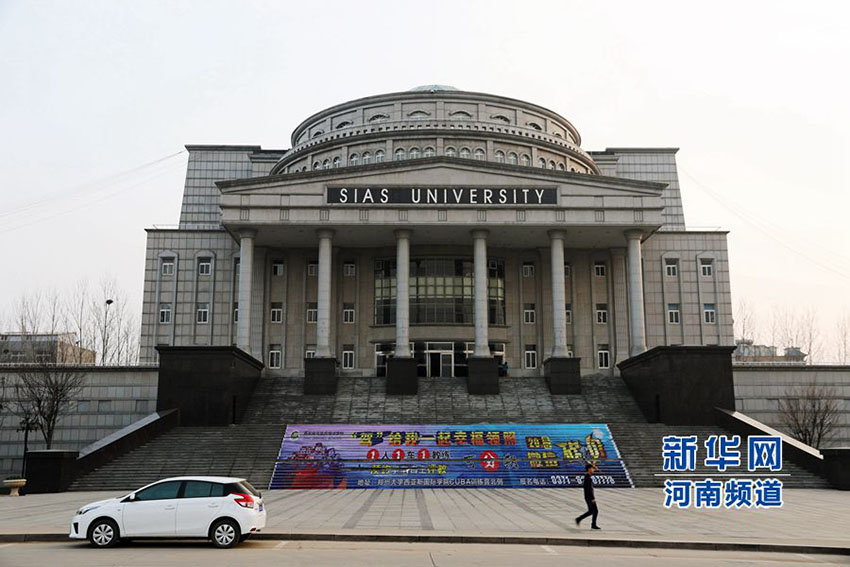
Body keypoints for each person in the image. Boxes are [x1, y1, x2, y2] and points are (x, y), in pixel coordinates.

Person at [575, 462, 601, 530]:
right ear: (589, 469)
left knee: (591, 511)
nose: (593, 470)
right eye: (592, 469)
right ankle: (593, 524)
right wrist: (592, 498)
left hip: (587, 497)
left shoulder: (588, 477)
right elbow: (589, 489)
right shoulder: (588, 478)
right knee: (595, 511)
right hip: (589, 497)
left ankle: (579, 519)